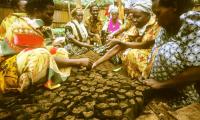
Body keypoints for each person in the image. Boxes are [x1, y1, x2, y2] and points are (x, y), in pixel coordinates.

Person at [0, 0, 90, 93]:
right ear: (36, 11)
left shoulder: (34, 26)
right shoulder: (22, 27)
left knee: (60, 51)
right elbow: (45, 55)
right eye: (49, 14)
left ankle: (37, 77)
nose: (52, 18)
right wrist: (77, 62)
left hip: (24, 60)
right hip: (9, 68)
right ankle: (24, 81)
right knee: (42, 54)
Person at [143, 0, 200, 107]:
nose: (155, 19)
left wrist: (162, 84)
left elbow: (197, 70)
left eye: (158, 13)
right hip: (163, 89)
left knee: (169, 48)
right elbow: (155, 51)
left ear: (173, 7)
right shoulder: (166, 28)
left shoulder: (195, 26)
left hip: (185, 94)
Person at [92, 1, 160, 79]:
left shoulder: (156, 25)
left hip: (154, 56)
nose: (134, 20)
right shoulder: (136, 27)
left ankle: (148, 76)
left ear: (148, 15)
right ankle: (136, 75)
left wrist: (121, 43)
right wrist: (96, 63)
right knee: (126, 49)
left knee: (131, 53)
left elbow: (145, 44)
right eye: (133, 17)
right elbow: (119, 46)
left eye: (138, 17)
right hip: (141, 52)